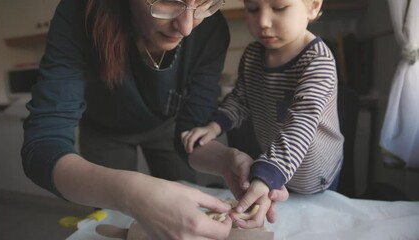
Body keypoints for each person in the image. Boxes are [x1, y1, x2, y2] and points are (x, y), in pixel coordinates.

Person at [21, 0, 288, 239]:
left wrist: (228, 159)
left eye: (204, 3)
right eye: (168, 1)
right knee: (114, 214)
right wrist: (130, 193)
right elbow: (43, 148)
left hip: (166, 127)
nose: (186, 27)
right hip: (104, 132)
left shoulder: (211, 29)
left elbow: (190, 133)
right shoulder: (78, 13)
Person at [182, 0, 344, 229]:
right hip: (274, 166)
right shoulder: (251, 56)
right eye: (253, 9)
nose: (263, 22)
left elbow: (300, 124)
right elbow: (241, 99)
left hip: (313, 176)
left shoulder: (319, 62)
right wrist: (215, 127)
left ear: (313, 7)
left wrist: (267, 175)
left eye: (279, 8)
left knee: (311, 227)